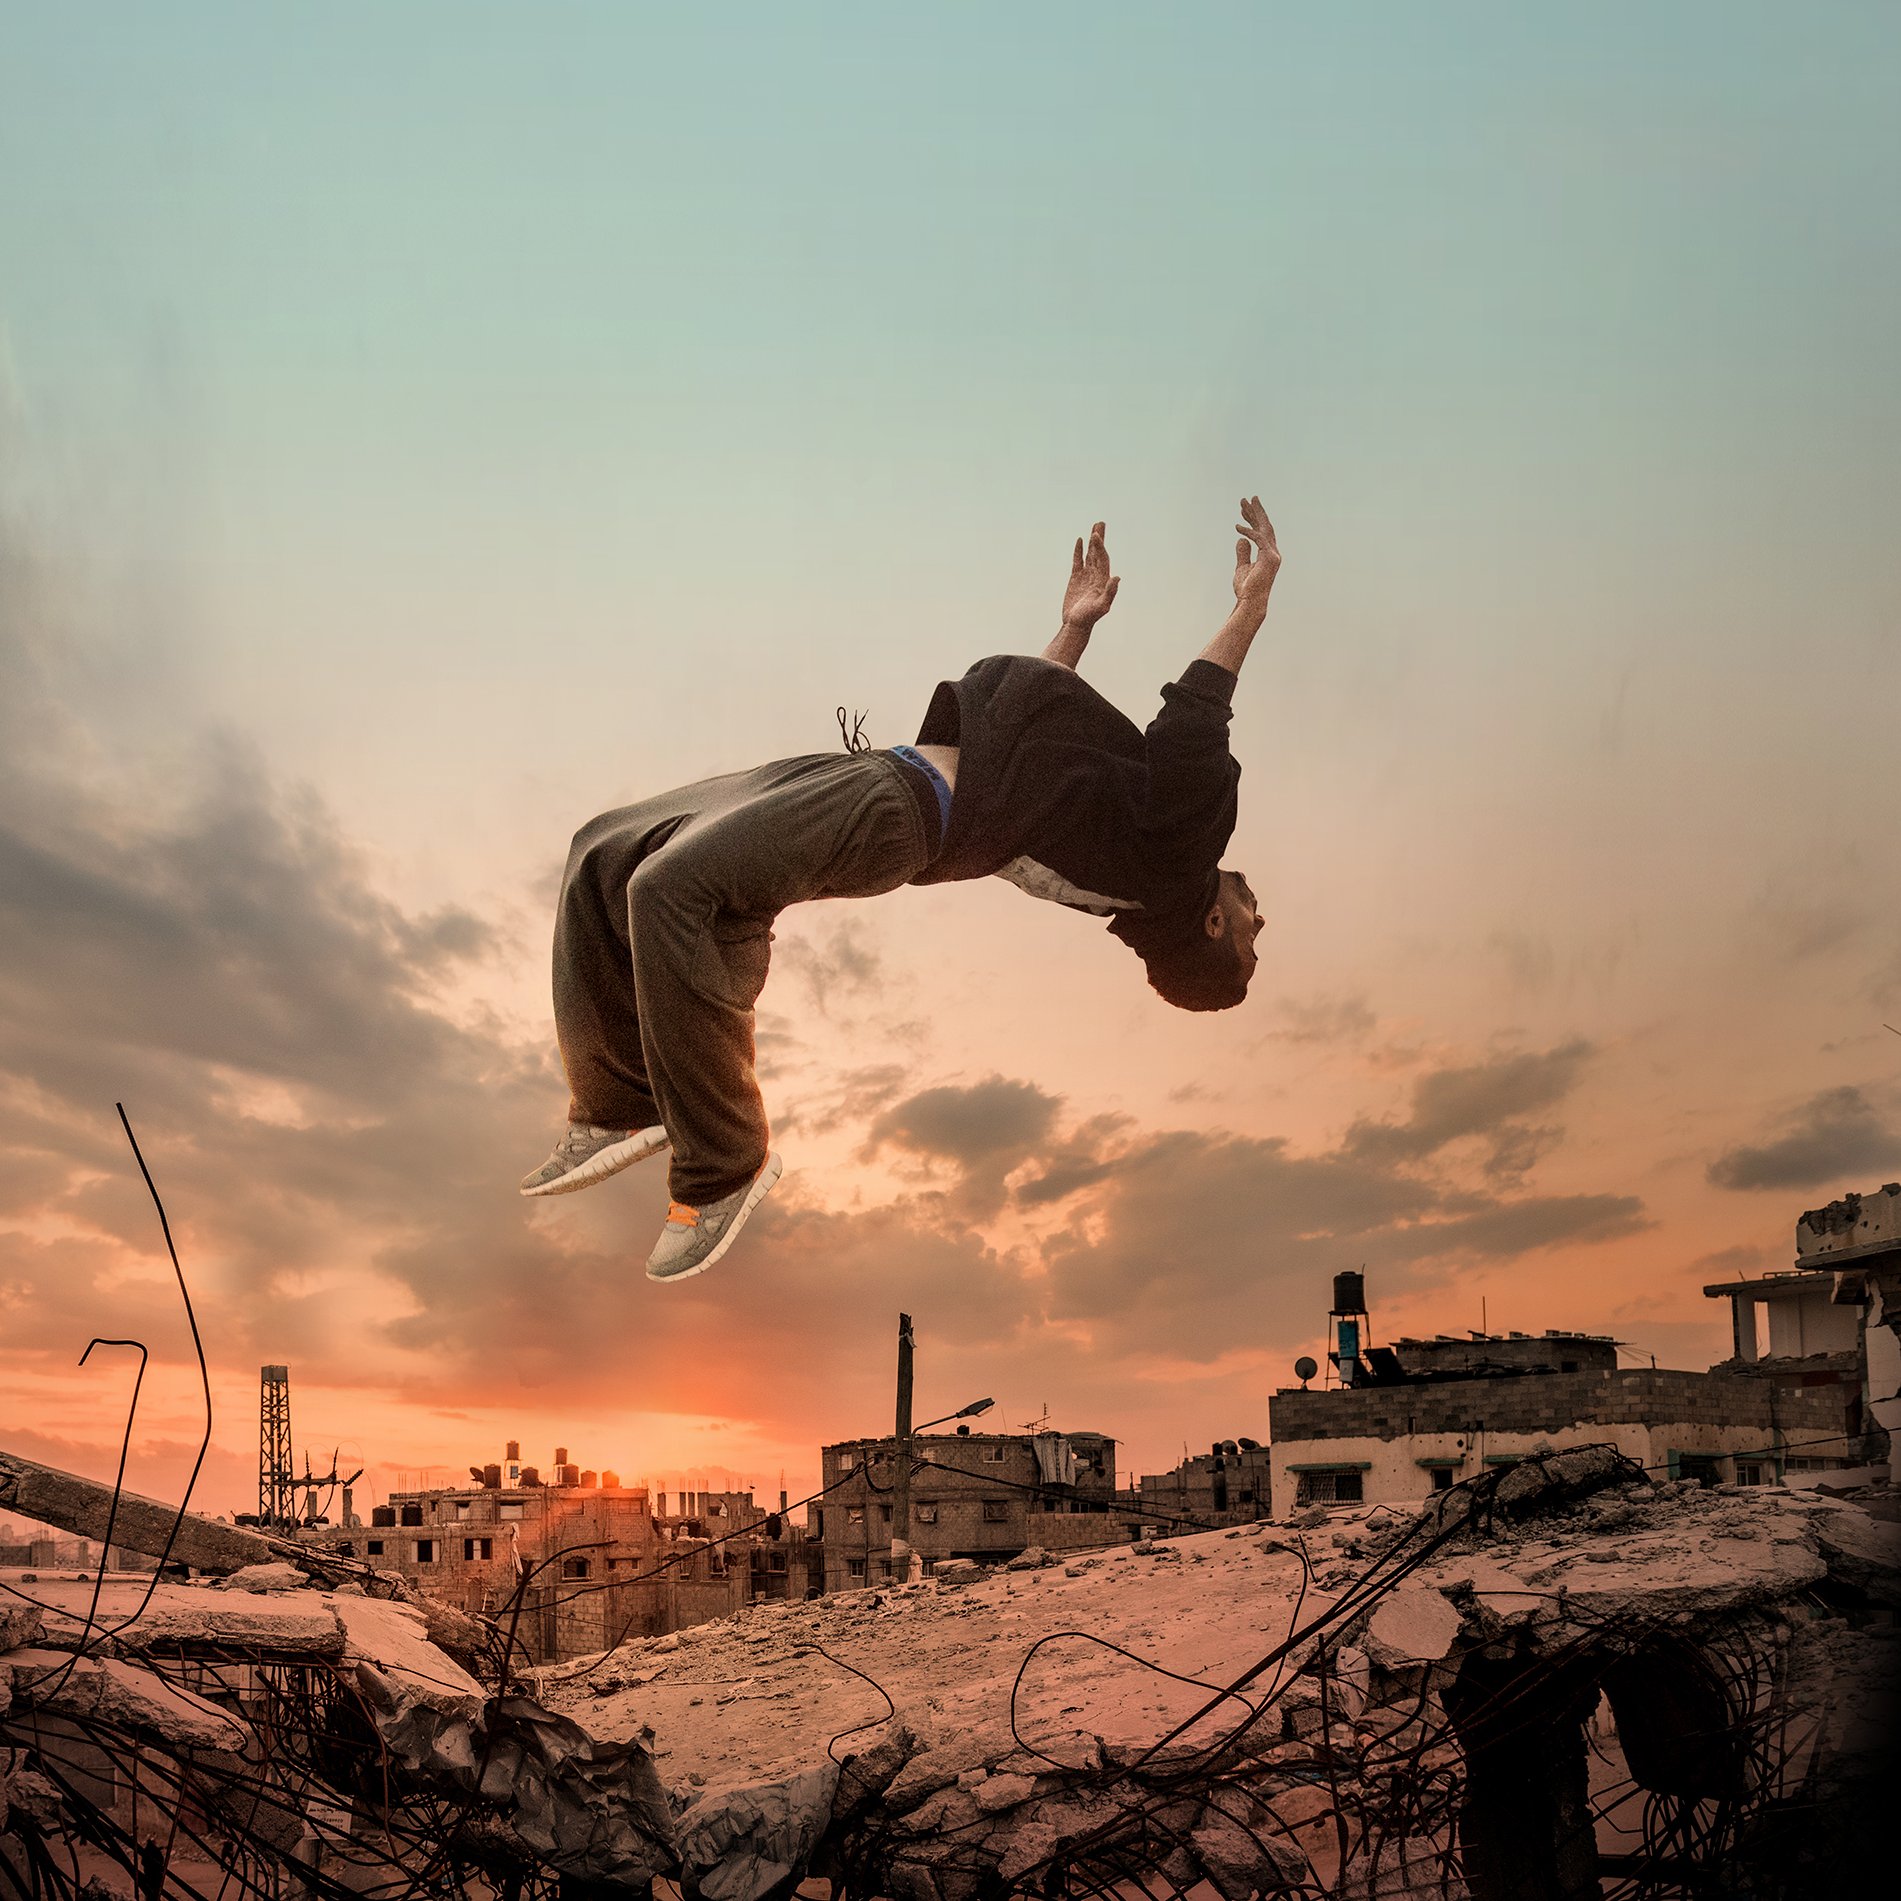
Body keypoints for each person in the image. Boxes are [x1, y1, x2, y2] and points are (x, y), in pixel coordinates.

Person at [522, 496, 1279, 1283]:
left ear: (1213, 927)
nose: (1263, 915)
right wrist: (1075, 629)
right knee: (602, 846)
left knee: (670, 890)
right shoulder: (1118, 867)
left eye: (1255, 939)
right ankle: (618, 1105)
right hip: (875, 772)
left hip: (895, 809)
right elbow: (1019, 726)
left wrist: (1250, 605)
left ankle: (723, 1166)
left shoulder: (1173, 863)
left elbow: (1193, 719)